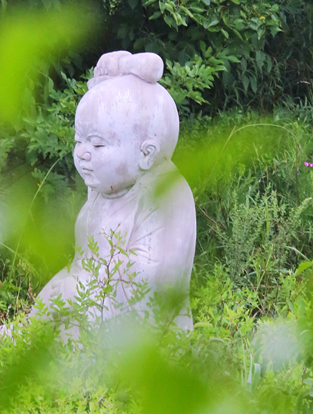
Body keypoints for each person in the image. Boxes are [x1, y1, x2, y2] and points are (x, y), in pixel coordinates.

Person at [29, 50, 196, 335]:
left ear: (146, 153)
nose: (81, 153)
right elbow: (83, 263)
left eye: (97, 144)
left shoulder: (167, 194)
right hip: (91, 308)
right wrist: (42, 310)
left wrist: (77, 290)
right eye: (79, 140)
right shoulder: (106, 190)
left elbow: (152, 282)